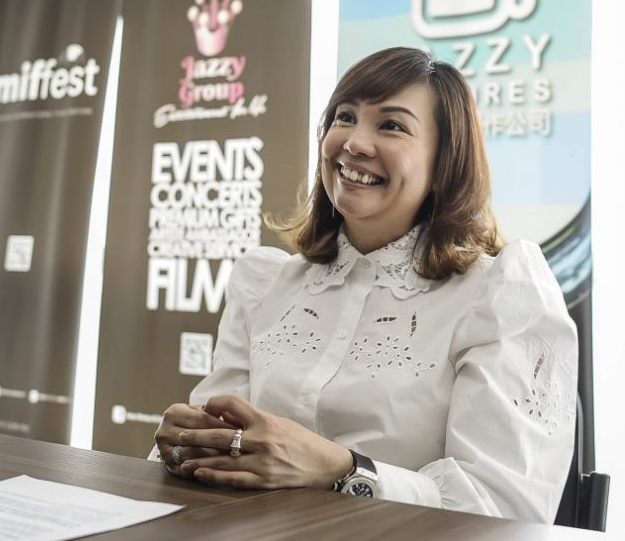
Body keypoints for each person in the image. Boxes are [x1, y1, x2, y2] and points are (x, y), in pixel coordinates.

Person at [152, 47, 577, 523]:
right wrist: (186, 444)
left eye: (391, 125)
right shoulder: (264, 283)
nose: (354, 142)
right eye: (345, 117)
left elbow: (504, 512)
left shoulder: (500, 295)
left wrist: (344, 470)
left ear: (444, 164)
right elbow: (216, 448)